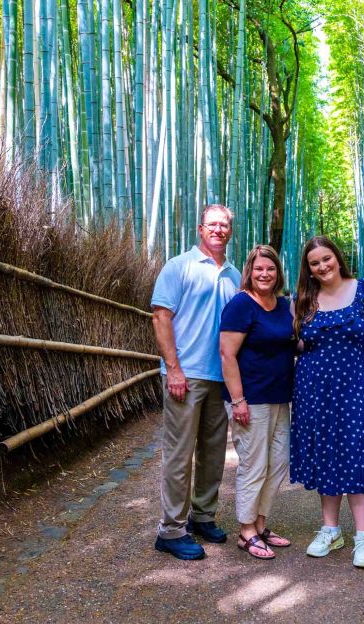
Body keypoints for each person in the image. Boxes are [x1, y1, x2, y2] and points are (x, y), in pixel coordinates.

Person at [151, 204, 242, 561]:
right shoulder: (180, 266)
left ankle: (202, 515)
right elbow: (161, 318)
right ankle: (171, 530)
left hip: (220, 376)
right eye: (213, 224)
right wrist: (173, 368)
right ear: (200, 228)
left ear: (229, 231)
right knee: (179, 454)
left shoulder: (235, 274)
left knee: (213, 452)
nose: (219, 230)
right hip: (185, 375)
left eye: (224, 225)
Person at [290, 235, 364, 568]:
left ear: (337, 258)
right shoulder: (303, 298)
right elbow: (294, 342)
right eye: (315, 263)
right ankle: (331, 530)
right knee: (326, 454)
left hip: (357, 387)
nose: (322, 266)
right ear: (309, 268)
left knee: (356, 453)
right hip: (315, 389)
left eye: (326, 259)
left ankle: (363, 537)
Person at [219, 245, 295, 560]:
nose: (264, 274)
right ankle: (246, 531)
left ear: (278, 273)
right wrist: (238, 400)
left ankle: (261, 524)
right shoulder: (240, 305)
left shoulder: (285, 305)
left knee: (278, 463)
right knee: (254, 464)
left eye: (271, 269)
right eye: (258, 269)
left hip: (280, 397)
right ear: (250, 271)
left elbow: (298, 342)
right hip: (250, 399)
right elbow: (227, 354)